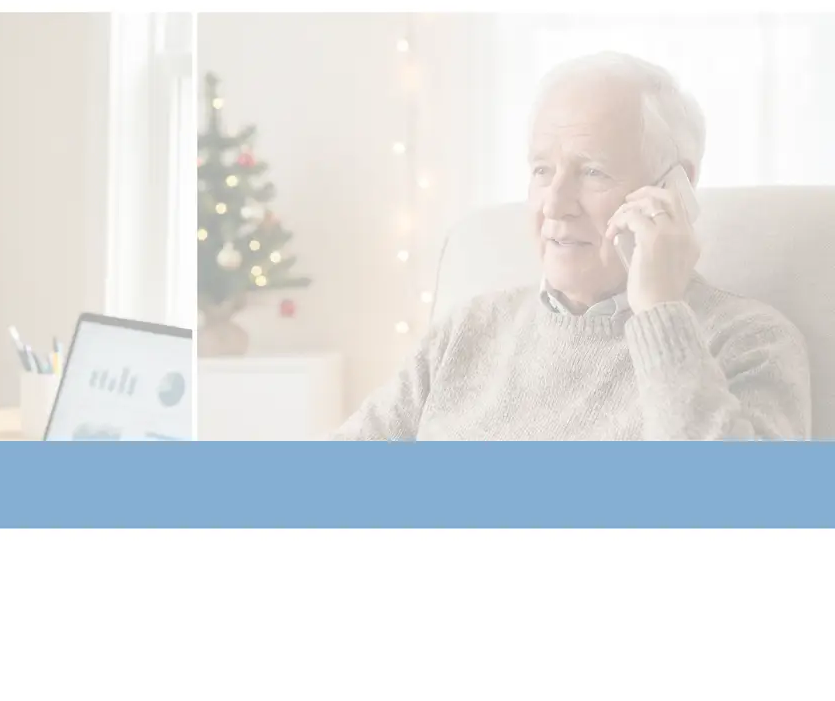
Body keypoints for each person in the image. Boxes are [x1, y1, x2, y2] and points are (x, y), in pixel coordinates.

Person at [333, 51, 812, 441]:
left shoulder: (750, 339)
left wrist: (660, 315)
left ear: (674, 187)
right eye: (542, 170)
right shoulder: (466, 330)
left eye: (592, 171)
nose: (555, 205)